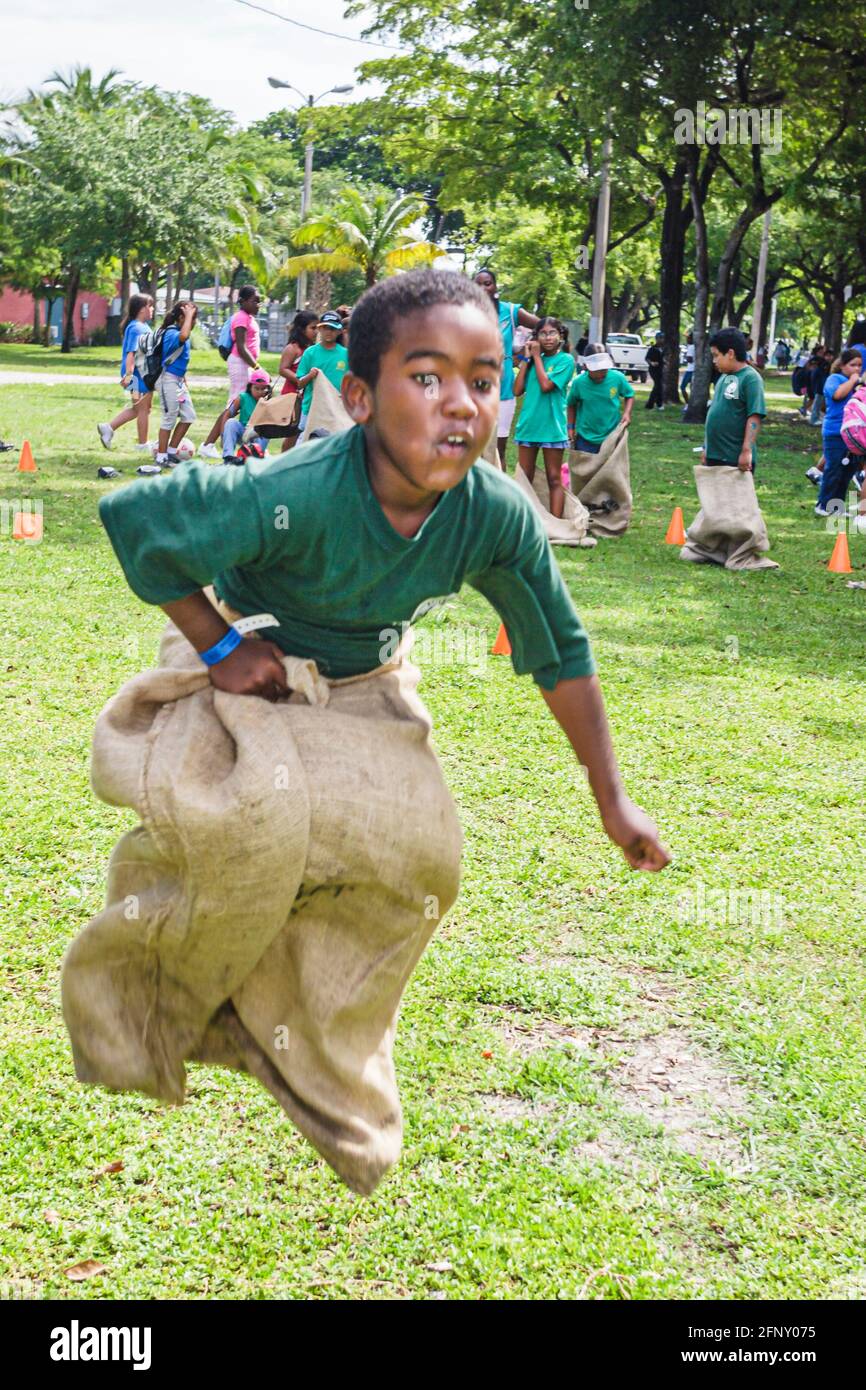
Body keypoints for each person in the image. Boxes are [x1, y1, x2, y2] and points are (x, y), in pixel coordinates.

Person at [88, 269, 669, 1187]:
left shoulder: (495, 516)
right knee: (247, 826)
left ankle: (304, 1041)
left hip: (366, 677)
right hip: (252, 653)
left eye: (483, 381)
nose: (461, 405)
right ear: (359, 397)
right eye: (427, 377)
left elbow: (560, 650)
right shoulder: (301, 490)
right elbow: (136, 520)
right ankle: (148, 999)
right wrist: (219, 642)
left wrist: (613, 800)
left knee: (426, 861)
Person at [473, 269, 540, 467]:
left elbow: (543, 326)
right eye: (478, 284)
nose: (483, 288)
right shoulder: (464, 312)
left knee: (498, 448)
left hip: (504, 389)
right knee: (473, 448)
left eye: (488, 283)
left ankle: (499, 494)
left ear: (495, 287)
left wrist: (524, 351)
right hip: (473, 390)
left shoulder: (509, 312)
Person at [513, 317, 575, 519]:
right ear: (536, 337)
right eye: (543, 333)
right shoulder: (532, 361)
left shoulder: (566, 361)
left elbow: (546, 386)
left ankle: (556, 522)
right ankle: (521, 520)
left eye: (552, 333)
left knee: (554, 478)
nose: (548, 338)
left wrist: (537, 358)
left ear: (561, 336)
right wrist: (526, 359)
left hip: (552, 427)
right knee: (524, 478)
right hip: (529, 425)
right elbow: (517, 390)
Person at [97, 293, 155, 453]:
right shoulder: (137, 328)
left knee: (140, 408)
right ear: (142, 309)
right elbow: (131, 353)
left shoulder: (141, 327)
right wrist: (129, 376)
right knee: (143, 409)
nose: (152, 309)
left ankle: (108, 428)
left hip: (141, 375)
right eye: (150, 306)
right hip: (138, 376)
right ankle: (143, 444)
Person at [702, 328, 765, 473]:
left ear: (730, 354)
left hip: (734, 457)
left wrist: (746, 451)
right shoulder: (724, 377)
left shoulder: (750, 378)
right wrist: (706, 447)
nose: (714, 360)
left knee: (734, 496)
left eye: (716, 355)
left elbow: (754, 416)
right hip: (715, 454)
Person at [814, 348, 863, 517]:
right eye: (852, 365)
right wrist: (853, 381)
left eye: (860, 366)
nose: (856, 369)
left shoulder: (857, 385)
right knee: (833, 469)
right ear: (842, 365)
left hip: (852, 435)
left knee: (847, 471)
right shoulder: (834, 379)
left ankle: (836, 506)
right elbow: (837, 395)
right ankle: (823, 504)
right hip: (835, 432)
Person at [566, 345, 634, 453]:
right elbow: (571, 405)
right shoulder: (579, 383)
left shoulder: (617, 378)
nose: (601, 373)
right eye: (596, 369)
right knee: (586, 469)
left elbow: (629, 394)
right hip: (586, 438)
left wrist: (627, 413)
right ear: (586, 366)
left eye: (604, 369)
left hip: (612, 435)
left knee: (610, 469)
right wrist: (570, 427)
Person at [155, 301, 197, 468]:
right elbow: (183, 337)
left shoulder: (181, 332)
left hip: (178, 381)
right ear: (181, 318)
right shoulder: (172, 332)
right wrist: (187, 317)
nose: (193, 323)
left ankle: (172, 452)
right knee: (169, 416)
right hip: (167, 380)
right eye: (192, 319)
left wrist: (184, 379)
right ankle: (161, 456)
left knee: (188, 416)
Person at [295, 311, 349, 436]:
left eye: (333, 329)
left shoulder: (345, 354)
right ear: (320, 329)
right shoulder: (310, 353)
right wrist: (310, 375)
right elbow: (299, 384)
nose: (329, 332)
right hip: (311, 409)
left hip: (336, 410)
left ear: (339, 331)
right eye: (325, 328)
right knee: (306, 444)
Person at [276, 310, 317, 451]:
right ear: (301, 329)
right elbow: (283, 369)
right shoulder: (293, 348)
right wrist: (300, 380)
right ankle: (283, 460)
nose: (316, 331)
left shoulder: (311, 349)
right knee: (293, 432)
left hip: (306, 395)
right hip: (292, 395)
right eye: (312, 328)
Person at [221, 368, 273, 463]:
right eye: (256, 388)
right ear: (250, 387)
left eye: (263, 389)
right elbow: (227, 415)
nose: (260, 392)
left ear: (268, 389)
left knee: (267, 429)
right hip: (243, 432)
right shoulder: (242, 398)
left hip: (258, 434)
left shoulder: (269, 402)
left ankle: (257, 457)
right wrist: (222, 436)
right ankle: (228, 457)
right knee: (230, 422)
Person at [227, 285, 261, 402]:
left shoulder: (248, 317)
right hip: (240, 362)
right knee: (236, 398)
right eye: (254, 301)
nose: (258, 305)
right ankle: (224, 420)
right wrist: (256, 367)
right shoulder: (241, 318)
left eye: (259, 302)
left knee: (245, 398)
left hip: (246, 363)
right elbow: (241, 347)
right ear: (243, 301)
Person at [645, 332, 664, 409]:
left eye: (663, 338)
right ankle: (651, 404)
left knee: (658, 387)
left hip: (661, 369)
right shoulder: (652, 349)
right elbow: (647, 358)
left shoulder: (664, 348)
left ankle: (657, 403)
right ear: (657, 339)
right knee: (658, 385)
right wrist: (652, 363)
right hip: (653, 370)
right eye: (660, 338)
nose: (662, 340)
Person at [680, 331, 695, 403]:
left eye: (688, 338)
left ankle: (687, 403)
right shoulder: (696, 347)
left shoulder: (691, 347)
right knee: (693, 388)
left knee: (682, 387)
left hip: (690, 370)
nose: (687, 340)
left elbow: (690, 359)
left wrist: (686, 356)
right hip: (695, 370)